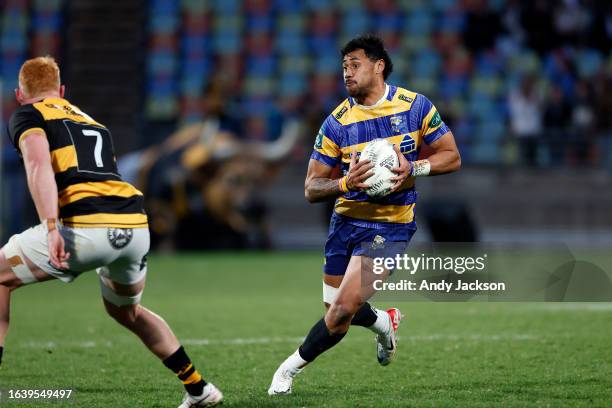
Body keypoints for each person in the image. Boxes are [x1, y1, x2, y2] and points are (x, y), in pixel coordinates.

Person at [0, 56, 222, 408]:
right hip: (133, 225)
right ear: (61, 91)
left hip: (86, 227)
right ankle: (199, 388)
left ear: (19, 94)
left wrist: (51, 227)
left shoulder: (29, 114)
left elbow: (38, 164)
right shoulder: (94, 124)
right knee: (127, 311)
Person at [268, 35, 461, 395]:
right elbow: (311, 188)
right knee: (336, 314)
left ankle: (286, 372)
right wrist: (344, 183)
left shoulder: (415, 108)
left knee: (340, 311)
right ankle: (384, 322)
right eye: (344, 67)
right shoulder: (337, 123)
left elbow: (452, 156)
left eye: (355, 64)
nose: (347, 73)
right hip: (345, 223)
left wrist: (414, 167)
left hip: (390, 225)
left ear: (379, 65)